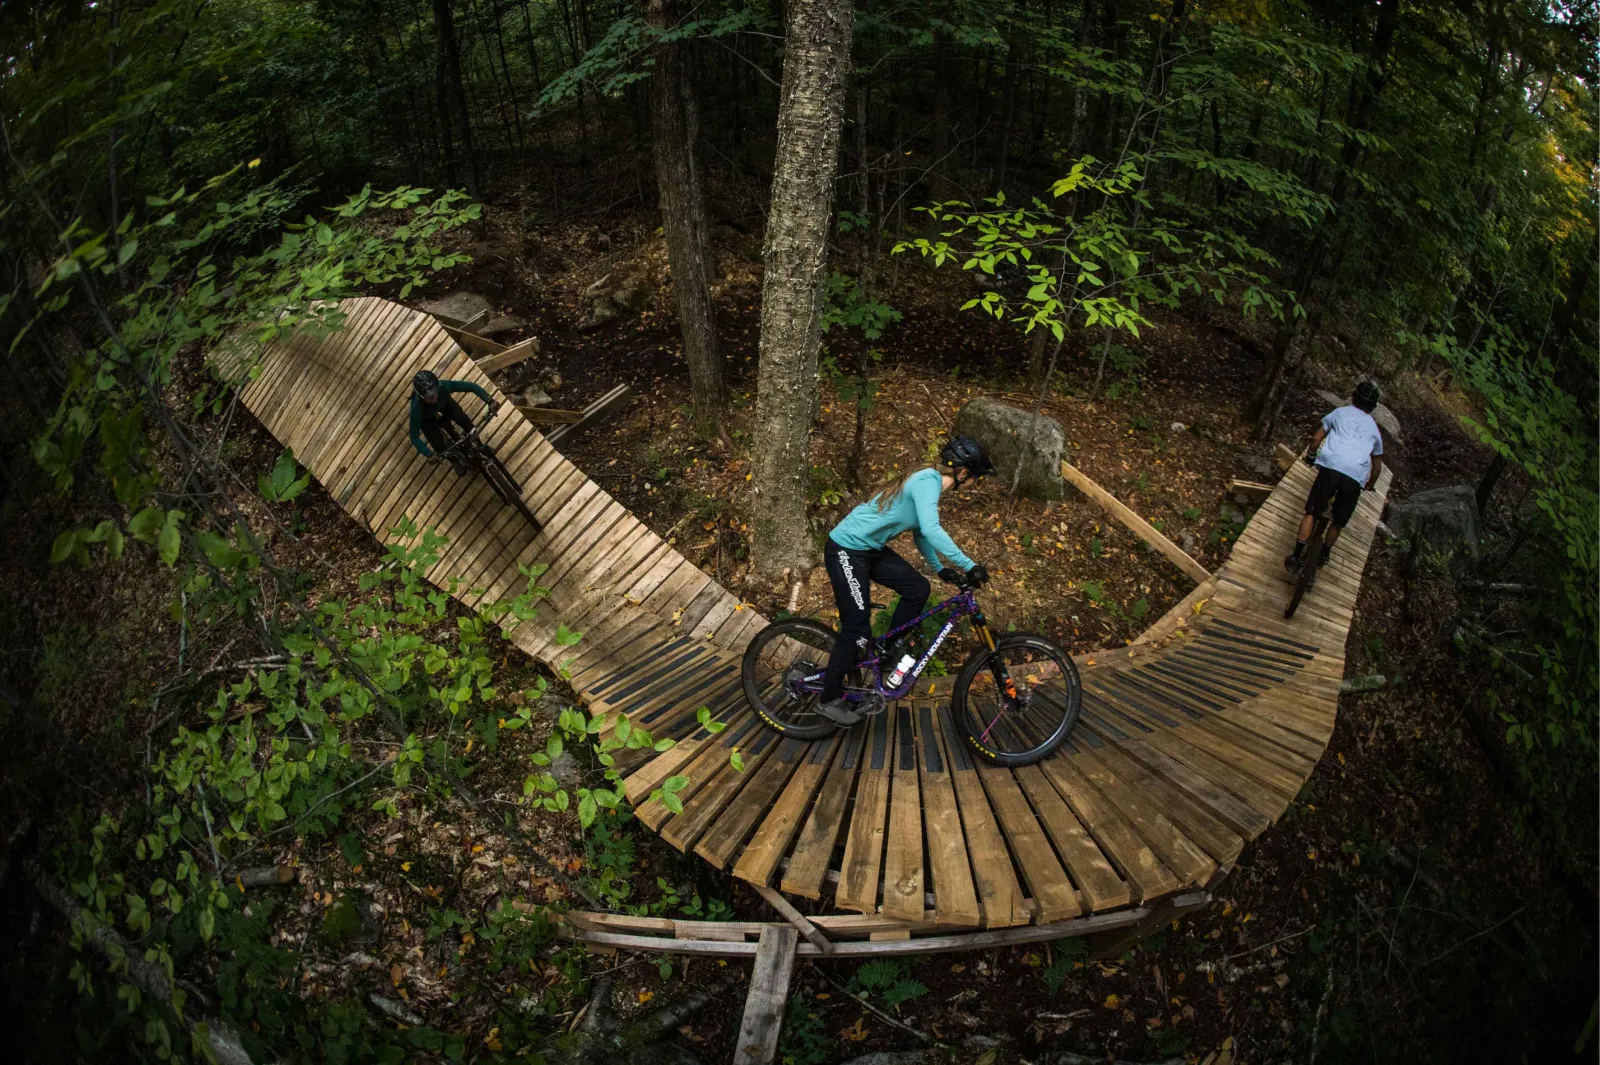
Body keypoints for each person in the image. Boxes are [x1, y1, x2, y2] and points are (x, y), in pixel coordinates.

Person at [815, 436, 993, 725]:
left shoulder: (930, 485)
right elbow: (931, 529)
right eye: (976, 478)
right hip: (846, 549)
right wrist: (968, 565)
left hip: (869, 550)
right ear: (963, 473)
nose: (974, 484)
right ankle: (827, 699)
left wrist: (938, 569)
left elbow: (921, 533)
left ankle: (888, 649)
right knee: (857, 630)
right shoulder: (927, 481)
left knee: (917, 588)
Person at [1286, 379, 1385, 572]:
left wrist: (1311, 456)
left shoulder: (1339, 413)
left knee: (1312, 512)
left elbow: (1316, 439)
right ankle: (1324, 553)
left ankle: (1296, 556)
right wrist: (1370, 484)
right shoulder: (1374, 430)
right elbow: (1377, 468)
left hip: (1330, 467)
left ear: (1354, 396)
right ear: (1373, 406)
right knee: (1338, 521)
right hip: (1354, 476)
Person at [409, 370, 499, 473]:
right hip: (427, 419)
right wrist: (429, 454)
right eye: (429, 397)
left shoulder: (443, 386)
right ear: (421, 396)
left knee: (466, 423)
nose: (434, 398)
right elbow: (414, 436)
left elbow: (471, 386)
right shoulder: (416, 408)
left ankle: (479, 445)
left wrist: (489, 400)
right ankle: (453, 460)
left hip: (445, 405)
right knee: (438, 444)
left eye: (435, 393)